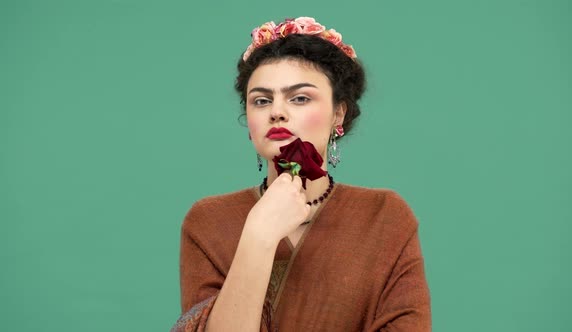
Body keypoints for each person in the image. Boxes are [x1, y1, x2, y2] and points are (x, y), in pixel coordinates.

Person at [171, 17, 431, 332]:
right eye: (261, 100)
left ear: (339, 112)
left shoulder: (386, 216)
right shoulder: (208, 221)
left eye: (300, 98)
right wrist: (258, 236)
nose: (276, 111)